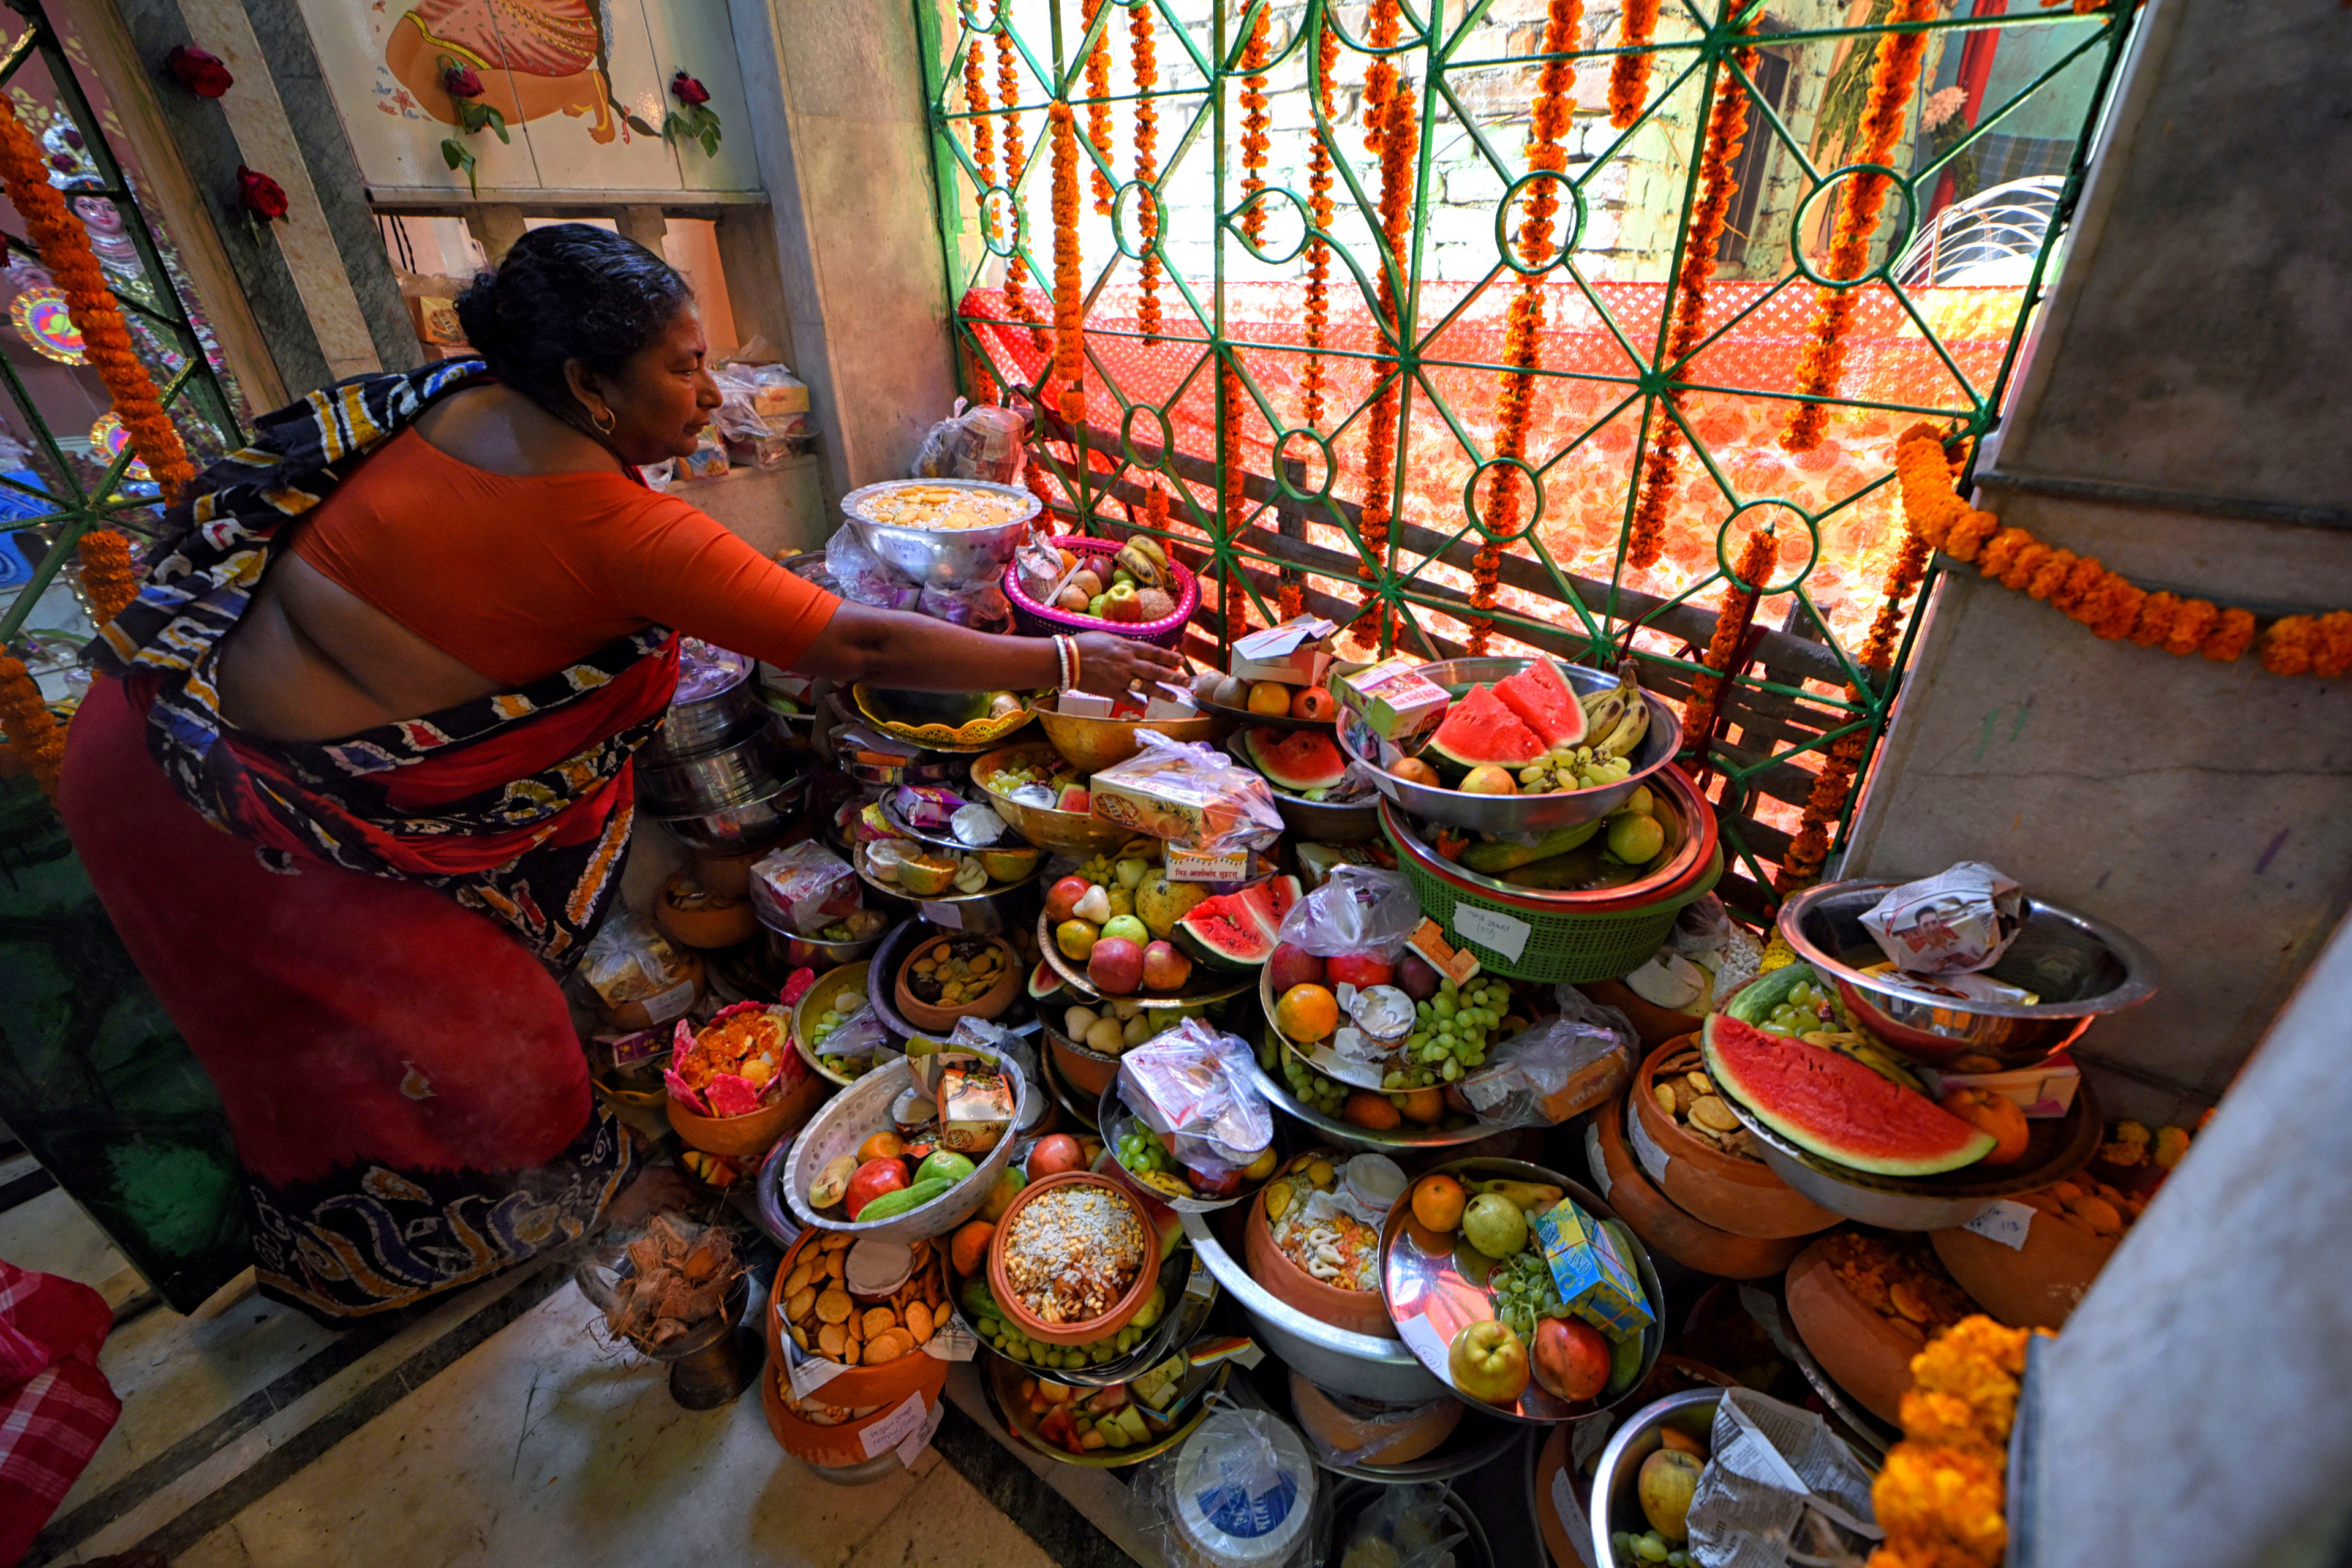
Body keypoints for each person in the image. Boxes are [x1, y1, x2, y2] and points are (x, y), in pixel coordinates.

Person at [58, 224, 1183, 1322]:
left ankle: (422, 1236)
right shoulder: (613, 526)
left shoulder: (467, 399)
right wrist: (1070, 653)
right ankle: (425, 1253)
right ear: (590, 383)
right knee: (437, 1046)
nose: (711, 395)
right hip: (229, 813)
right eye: (684, 368)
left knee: (308, 1038)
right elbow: (860, 644)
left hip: (156, 734)